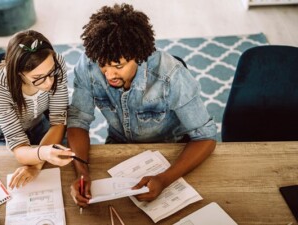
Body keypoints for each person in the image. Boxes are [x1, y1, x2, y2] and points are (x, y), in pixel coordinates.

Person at [67, 4, 217, 208]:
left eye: (118, 66)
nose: (109, 75)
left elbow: (206, 137)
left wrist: (164, 179)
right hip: (118, 145)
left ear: (138, 57)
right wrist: (82, 173)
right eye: (104, 65)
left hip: (170, 150)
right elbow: (78, 121)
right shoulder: (88, 64)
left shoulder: (171, 75)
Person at [0, 30, 74, 189]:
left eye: (51, 73)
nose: (49, 83)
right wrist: (43, 154)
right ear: (18, 73)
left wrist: (35, 165)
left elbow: (59, 120)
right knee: (2, 185)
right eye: (38, 78)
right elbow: (19, 146)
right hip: (1, 137)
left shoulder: (56, 62)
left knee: (68, 170)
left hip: (40, 126)